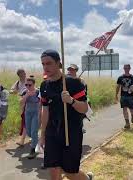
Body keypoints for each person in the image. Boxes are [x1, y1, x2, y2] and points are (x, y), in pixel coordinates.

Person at [39, 49, 93, 180]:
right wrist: (43, 134)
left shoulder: (73, 83)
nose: (46, 67)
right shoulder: (44, 85)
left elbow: (85, 109)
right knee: (53, 169)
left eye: (49, 63)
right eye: (43, 64)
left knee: (70, 172)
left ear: (59, 63)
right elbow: (45, 110)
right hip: (52, 132)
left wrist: (71, 101)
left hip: (71, 132)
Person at [20, 75, 40, 159]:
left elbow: (42, 103)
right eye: (26, 85)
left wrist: (40, 114)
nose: (28, 86)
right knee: (29, 132)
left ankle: (33, 150)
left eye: (30, 85)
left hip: (36, 113)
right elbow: (21, 102)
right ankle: (36, 140)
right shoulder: (25, 92)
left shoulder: (38, 92)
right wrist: (27, 95)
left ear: (34, 84)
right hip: (28, 113)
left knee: (34, 131)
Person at [67, 64, 89, 133]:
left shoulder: (81, 80)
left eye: (72, 69)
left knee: (80, 114)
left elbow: (84, 91)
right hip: (67, 100)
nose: (70, 71)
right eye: (69, 69)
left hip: (78, 100)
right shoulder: (65, 78)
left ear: (76, 70)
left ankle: (80, 127)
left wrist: (78, 81)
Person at [116, 64, 133, 129]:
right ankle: (127, 123)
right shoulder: (120, 77)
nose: (126, 69)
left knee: (131, 109)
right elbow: (118, 86)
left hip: (130, 96)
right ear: (124, 68)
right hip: (123, 96)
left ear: (130, 68)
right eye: (125, 68)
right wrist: (116, 95)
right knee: (124, 109)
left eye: (127, 68)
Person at [11, 69, 27, 147]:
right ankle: (31, 134)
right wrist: (14, 91)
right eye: (21, 74)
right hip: (22, 103)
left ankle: (22, 140)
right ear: (19, 75)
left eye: (23, 73)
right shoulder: (17, 83)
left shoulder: (29, 81)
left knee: (25, 121)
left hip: (30, 103)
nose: (23, 75)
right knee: (24, 120)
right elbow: (12, 90)